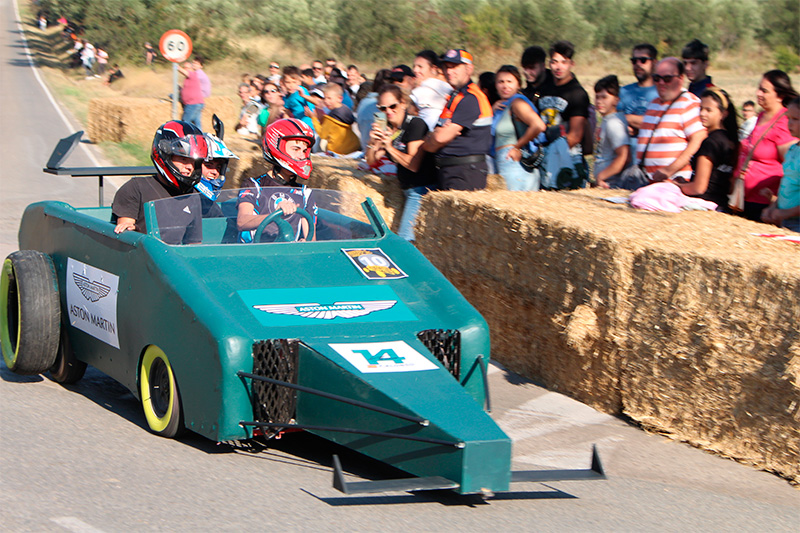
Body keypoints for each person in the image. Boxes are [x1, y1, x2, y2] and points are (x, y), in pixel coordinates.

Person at [112, 121, 206, 244]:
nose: (190, 167)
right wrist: (131, 230)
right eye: (183, 159)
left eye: (194, 162)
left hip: (171, 260)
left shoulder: (193, 196)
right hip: (142, 257)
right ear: (165, 154)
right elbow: (125, 229)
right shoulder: (136, 187)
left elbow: (194, 244)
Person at [366, 85, 436, 241]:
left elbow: (413, 164)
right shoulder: (390, 130)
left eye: (392, 106)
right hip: (406, 190)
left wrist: (389, 147)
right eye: (383, 108)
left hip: (421, 190)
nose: (388, 111)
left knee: (405, 240)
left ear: (403, 103)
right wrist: (372, 142)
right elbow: (371, 160)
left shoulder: (415, 124)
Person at [422, 49, 493, 191]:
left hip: (464, 171)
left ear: (469, 68)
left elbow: (440, 137)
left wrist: (433, 138)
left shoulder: (471, 98)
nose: (449, 71)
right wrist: (434, 137)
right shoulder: (455, 96)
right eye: (446, 67)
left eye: (454, 67)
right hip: (453, 169)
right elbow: (435, 136)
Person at [236, 119, 317, 242]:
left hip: (287, 256)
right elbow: (242, 222)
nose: (301, 156)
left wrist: (305, 243)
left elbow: (311, 238)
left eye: (304, 151)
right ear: (277, 147)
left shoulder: (305, 193)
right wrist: (276, 215)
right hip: (255, 254)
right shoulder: (254, 185)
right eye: (296, 149)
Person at [735, 70, 799, 221]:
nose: (758, 93)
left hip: (768, 204)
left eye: (764, 90)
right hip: (748, 198)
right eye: (759, 88)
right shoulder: (763, 116)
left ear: (780, 95)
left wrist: (775, 202)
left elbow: (792, 169)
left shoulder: (784, 121)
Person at [637, 57, 707, 182]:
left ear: (681, 78)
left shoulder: (688, 103)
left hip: (673, 182)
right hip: (647, 181)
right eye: (657, 79)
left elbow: (698, 138)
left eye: (667, 79)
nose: (661, 83)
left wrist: (670, 169)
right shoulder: (653, 104)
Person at [537, 40, 592, 189]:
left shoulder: (577, 93)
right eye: (554, 62)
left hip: (566, 157)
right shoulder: (544, 87)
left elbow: (575, 135)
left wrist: (549, 153)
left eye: (564, 62)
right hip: (544, 157)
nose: (558, 67)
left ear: (571, 64)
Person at [673, 87, 738, 210]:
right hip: (722, 204)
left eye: (708, 110)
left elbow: (699, 187)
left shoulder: (711, 143)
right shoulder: (731, 140)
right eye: (701, 109)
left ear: (723, 114)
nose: (702, 113)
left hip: (705, 204)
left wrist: (676, 185)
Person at [492, 65, 546, 191]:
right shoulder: (502, 105)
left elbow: (538, 125)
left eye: (509, 81)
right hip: (506, 163)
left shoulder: (517, 103)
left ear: (518, 84)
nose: (505, 86)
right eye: (501, 82)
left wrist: (517, 146)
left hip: (514, 163)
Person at [762, 97, 800, 232]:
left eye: (795, 119)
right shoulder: (792, 150)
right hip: (786, 220)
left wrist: (786, 213)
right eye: (788, 118)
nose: (789, 124)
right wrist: (773, 208)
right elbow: (788, 184)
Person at [618, 44, 659, 163]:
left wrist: (627, 118)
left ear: (654, 62)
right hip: (624, 162)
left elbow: (659, 125)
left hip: (652, 162)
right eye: (634, 61)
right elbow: (613, 122)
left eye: (643, 60)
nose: (638, 64)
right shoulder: (623, 92)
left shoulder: (661, 92)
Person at [593, 75, 630, 188]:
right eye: (597, 97)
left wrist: (601, 177)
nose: (599, 101)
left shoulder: (613, 123)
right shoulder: (606, 120)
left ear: (616, 100)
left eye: (604, 97)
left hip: (611, 184)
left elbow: (624, 156)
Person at [307, 83, 360, 154]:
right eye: (325, 98)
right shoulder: (345, 109)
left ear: (339, 98)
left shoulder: (331, 117)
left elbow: (322, 134)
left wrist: (313, 118)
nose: (326, 101)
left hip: (338, 150)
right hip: (353, 145)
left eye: (329, 98)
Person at [411, 50, 453, 131]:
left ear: (433, 69)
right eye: (414, 66)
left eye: (420, 66)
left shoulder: (423, 90)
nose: (415, 70)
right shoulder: (447, 87)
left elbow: (409, 110)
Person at [356, 69, 392, 151]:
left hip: (364, 147)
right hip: (373, 152)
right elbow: (380, 132)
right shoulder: (380, 105)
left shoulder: (363, 102)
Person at [281, 66, 316, 132]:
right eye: (288, 82)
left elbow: (316, 102)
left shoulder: (301, 90)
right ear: (283, 82)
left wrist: (304, 95)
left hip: (310, 125)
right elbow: (287, 113)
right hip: (299, 126)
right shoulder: (286, 97)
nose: (291, 85)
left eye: (294, 82)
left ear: (299, 82)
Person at [178, 60, 205, 130]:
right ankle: (200, 138)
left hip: (193, 104)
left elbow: (183, 72)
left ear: (191, 68)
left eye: (187, 67)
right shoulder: (189, 78)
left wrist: (175, 65)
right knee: (197, 125)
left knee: (185, 123)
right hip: (195, 103)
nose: (185, 69)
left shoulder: (192, 74)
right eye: (184, 67)